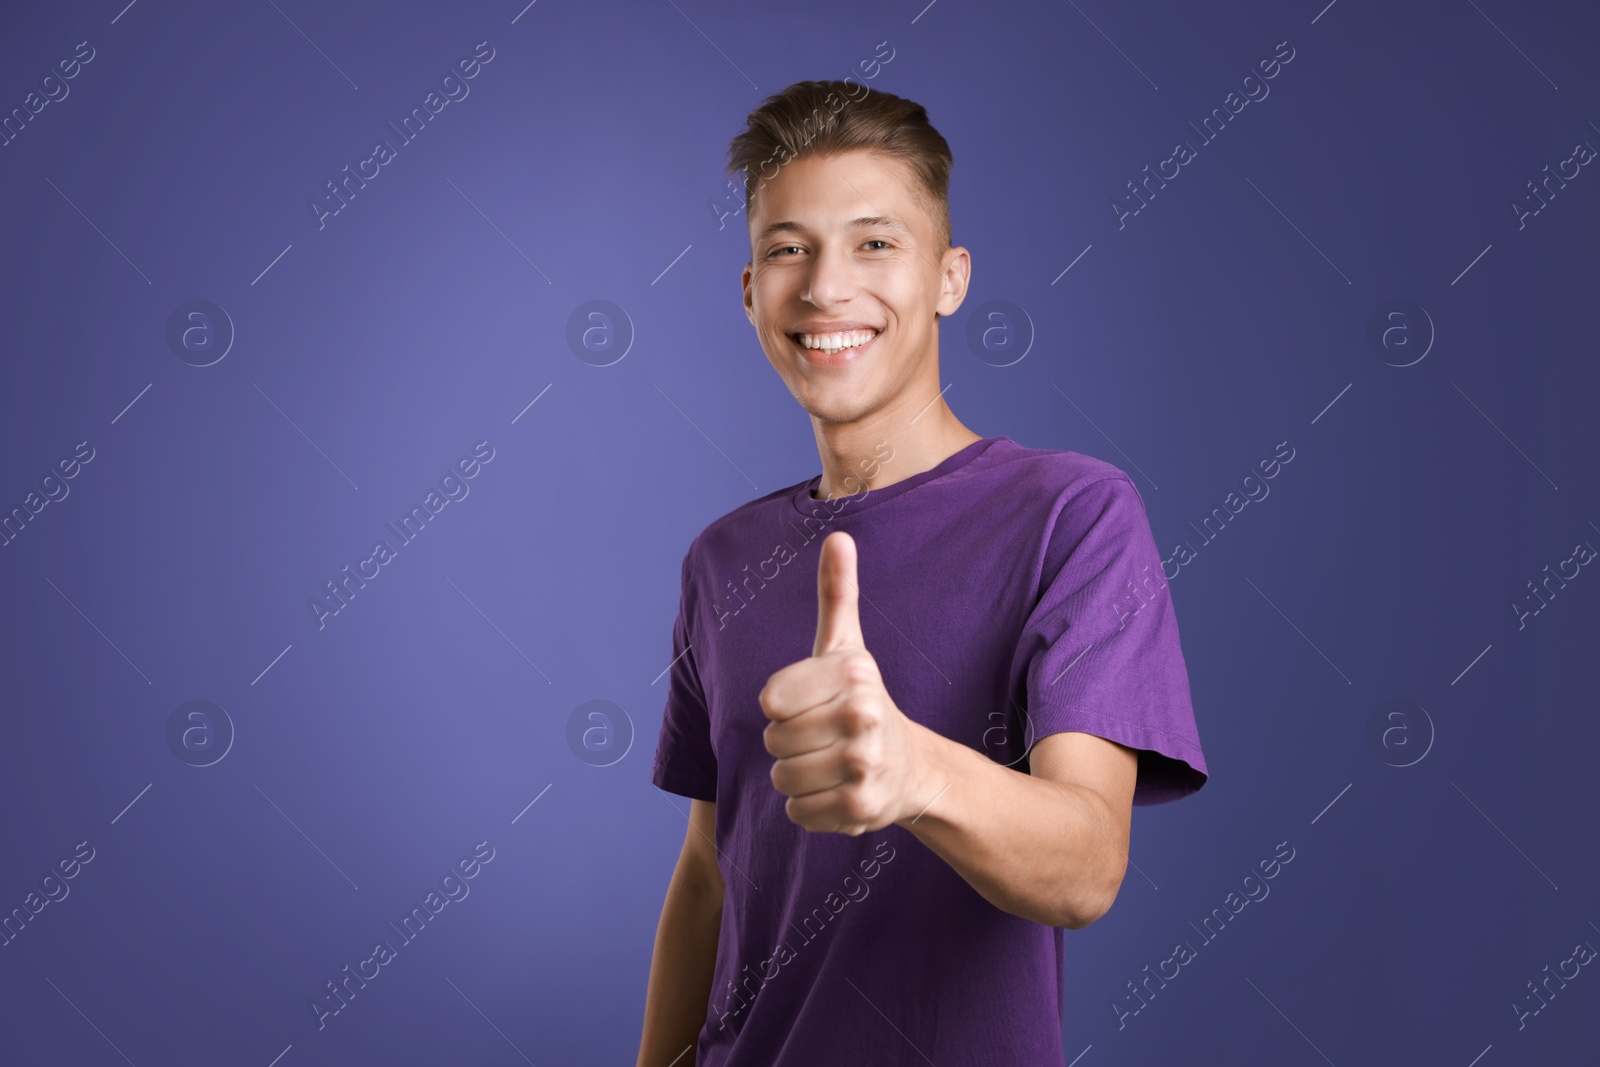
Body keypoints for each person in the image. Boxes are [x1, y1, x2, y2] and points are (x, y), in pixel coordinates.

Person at [637, 79, 1207, 1067]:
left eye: (873, 242)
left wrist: (912, 767)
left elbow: (1086, 865)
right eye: (787, 248)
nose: (824, 287)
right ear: (748, 291)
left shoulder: (1072, 515)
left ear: (948, 277)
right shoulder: (720, 559)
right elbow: (706, 871)